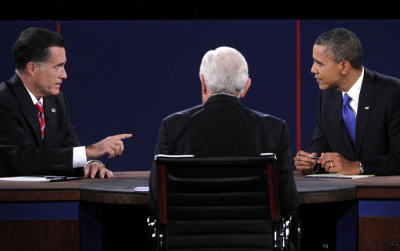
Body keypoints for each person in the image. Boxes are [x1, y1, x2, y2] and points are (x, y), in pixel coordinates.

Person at [148, 46, 299, 216]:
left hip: (189, 239)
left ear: (203, 82)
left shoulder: (173, 126)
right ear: (246, 86)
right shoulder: (274, 129)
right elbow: (287, 203)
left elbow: (156, 201)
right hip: (254, 239)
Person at [0, 27, 131, 178]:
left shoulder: (57, 101)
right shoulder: (4, 101)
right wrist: (90, 150)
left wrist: (88, 164)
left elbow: (67, 154)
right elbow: (24, 161)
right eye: (58, 67)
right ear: (32, 69)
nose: (65, 75)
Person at [294, 28, 400, 175]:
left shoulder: (392, 92)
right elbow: (321, 147)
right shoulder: (326, 96)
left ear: (344, 66)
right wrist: (312, 163)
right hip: (341, 192)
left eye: (319, 63)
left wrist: (357, 167)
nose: (313, 69)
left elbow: (398, 158)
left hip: (382, 194)